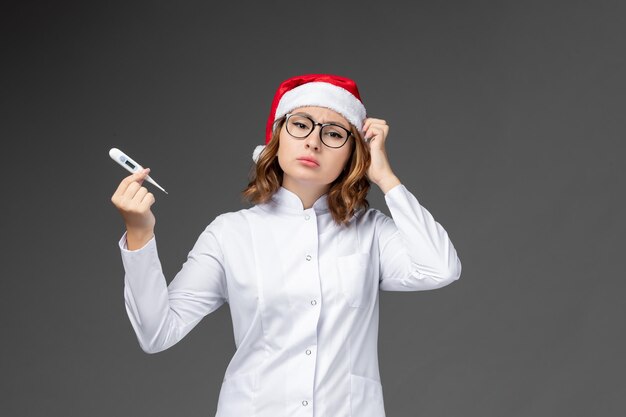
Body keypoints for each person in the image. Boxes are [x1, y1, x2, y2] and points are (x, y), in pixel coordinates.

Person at [111, 74, 462, 417]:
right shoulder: (231, 233)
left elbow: (441, 268)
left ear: (353, 155)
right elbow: (156, 333)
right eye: (301, 125)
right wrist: (139, 231)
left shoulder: (371, 232)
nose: (314, 142)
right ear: (278, 138)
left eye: (334, 133)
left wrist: (386, 177)